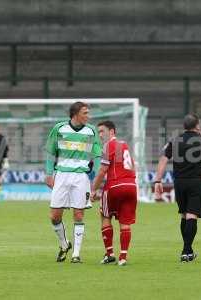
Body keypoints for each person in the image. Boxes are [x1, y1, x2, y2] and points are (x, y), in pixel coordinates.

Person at [154, 114, 201, 262]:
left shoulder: (175, 141)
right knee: (192, 215)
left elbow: (163, 159)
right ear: (197, 125)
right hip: (197, 182)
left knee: (184, 214)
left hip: (179, 183)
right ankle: (186, 250)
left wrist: (158, 180)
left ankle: (187, 251)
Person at [45, 101, 102, 263]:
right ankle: (64, 244)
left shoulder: (91, 131)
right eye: (85, 113)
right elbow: (50, 152)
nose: (88, 116)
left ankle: (76, 254)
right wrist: (49, 174)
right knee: (55, 216)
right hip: (61, 175)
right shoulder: (59, 128)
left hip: (81, 177)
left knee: (79, 214)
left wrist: (96, 181)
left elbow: (97, 156)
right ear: (75, 114)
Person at [91, 121, 137, 266]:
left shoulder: (108, 146)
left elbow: (102, 170)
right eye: (98, 132)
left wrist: (93, 190)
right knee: (125, 221)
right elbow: (133, 167)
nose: (100, 135)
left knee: (105, 215)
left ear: (112, 132)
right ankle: (123, 257)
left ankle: (110, 253)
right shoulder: (124, 145)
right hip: (131, 186)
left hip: (115, 185)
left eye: (102, 131)